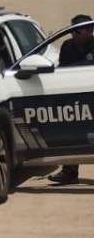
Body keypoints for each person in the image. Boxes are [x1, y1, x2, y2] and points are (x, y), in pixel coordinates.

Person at [49, 15, 93, 185]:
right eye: (74, 30)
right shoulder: (67, 46)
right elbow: (62, 70)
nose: (75, 34)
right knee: (70, 130)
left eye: (79, 30)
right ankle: (69, 171)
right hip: (74, 96)